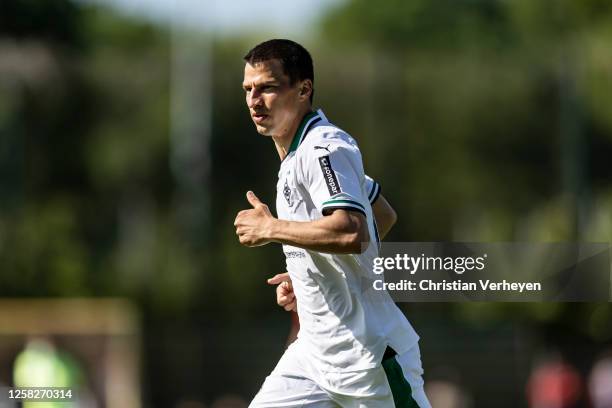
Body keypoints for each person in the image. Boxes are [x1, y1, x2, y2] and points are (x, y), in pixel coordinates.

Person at [234, 39, 431, 408]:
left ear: (303, 89)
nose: (254, 100)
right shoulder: (295, 155)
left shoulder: (324, 147)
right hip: (312, 357)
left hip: (369, 360)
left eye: (268, 88)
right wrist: (311, 270)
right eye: (248, 89)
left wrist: (270, 228)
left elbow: (353, 230)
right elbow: (383, 215)